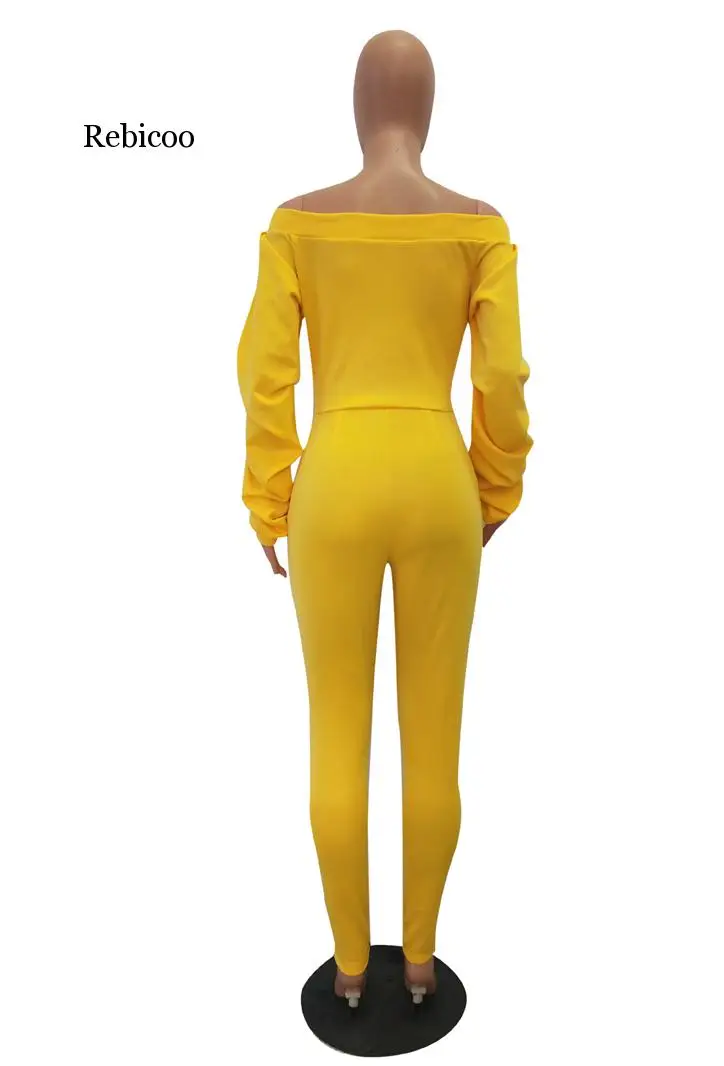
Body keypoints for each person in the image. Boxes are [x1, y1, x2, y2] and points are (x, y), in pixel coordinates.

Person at [237, 29, 533, 1008]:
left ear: (359, 109)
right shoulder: (479, 225)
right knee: (434, 738)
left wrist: (268, 497)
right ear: (427, 110)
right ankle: (419, 963)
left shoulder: (296, 223)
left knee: (336, 734)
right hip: (437, 477)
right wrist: (495, 487)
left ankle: (351, 972)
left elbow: (265, 375)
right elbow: (500, 374)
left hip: (334, 480)